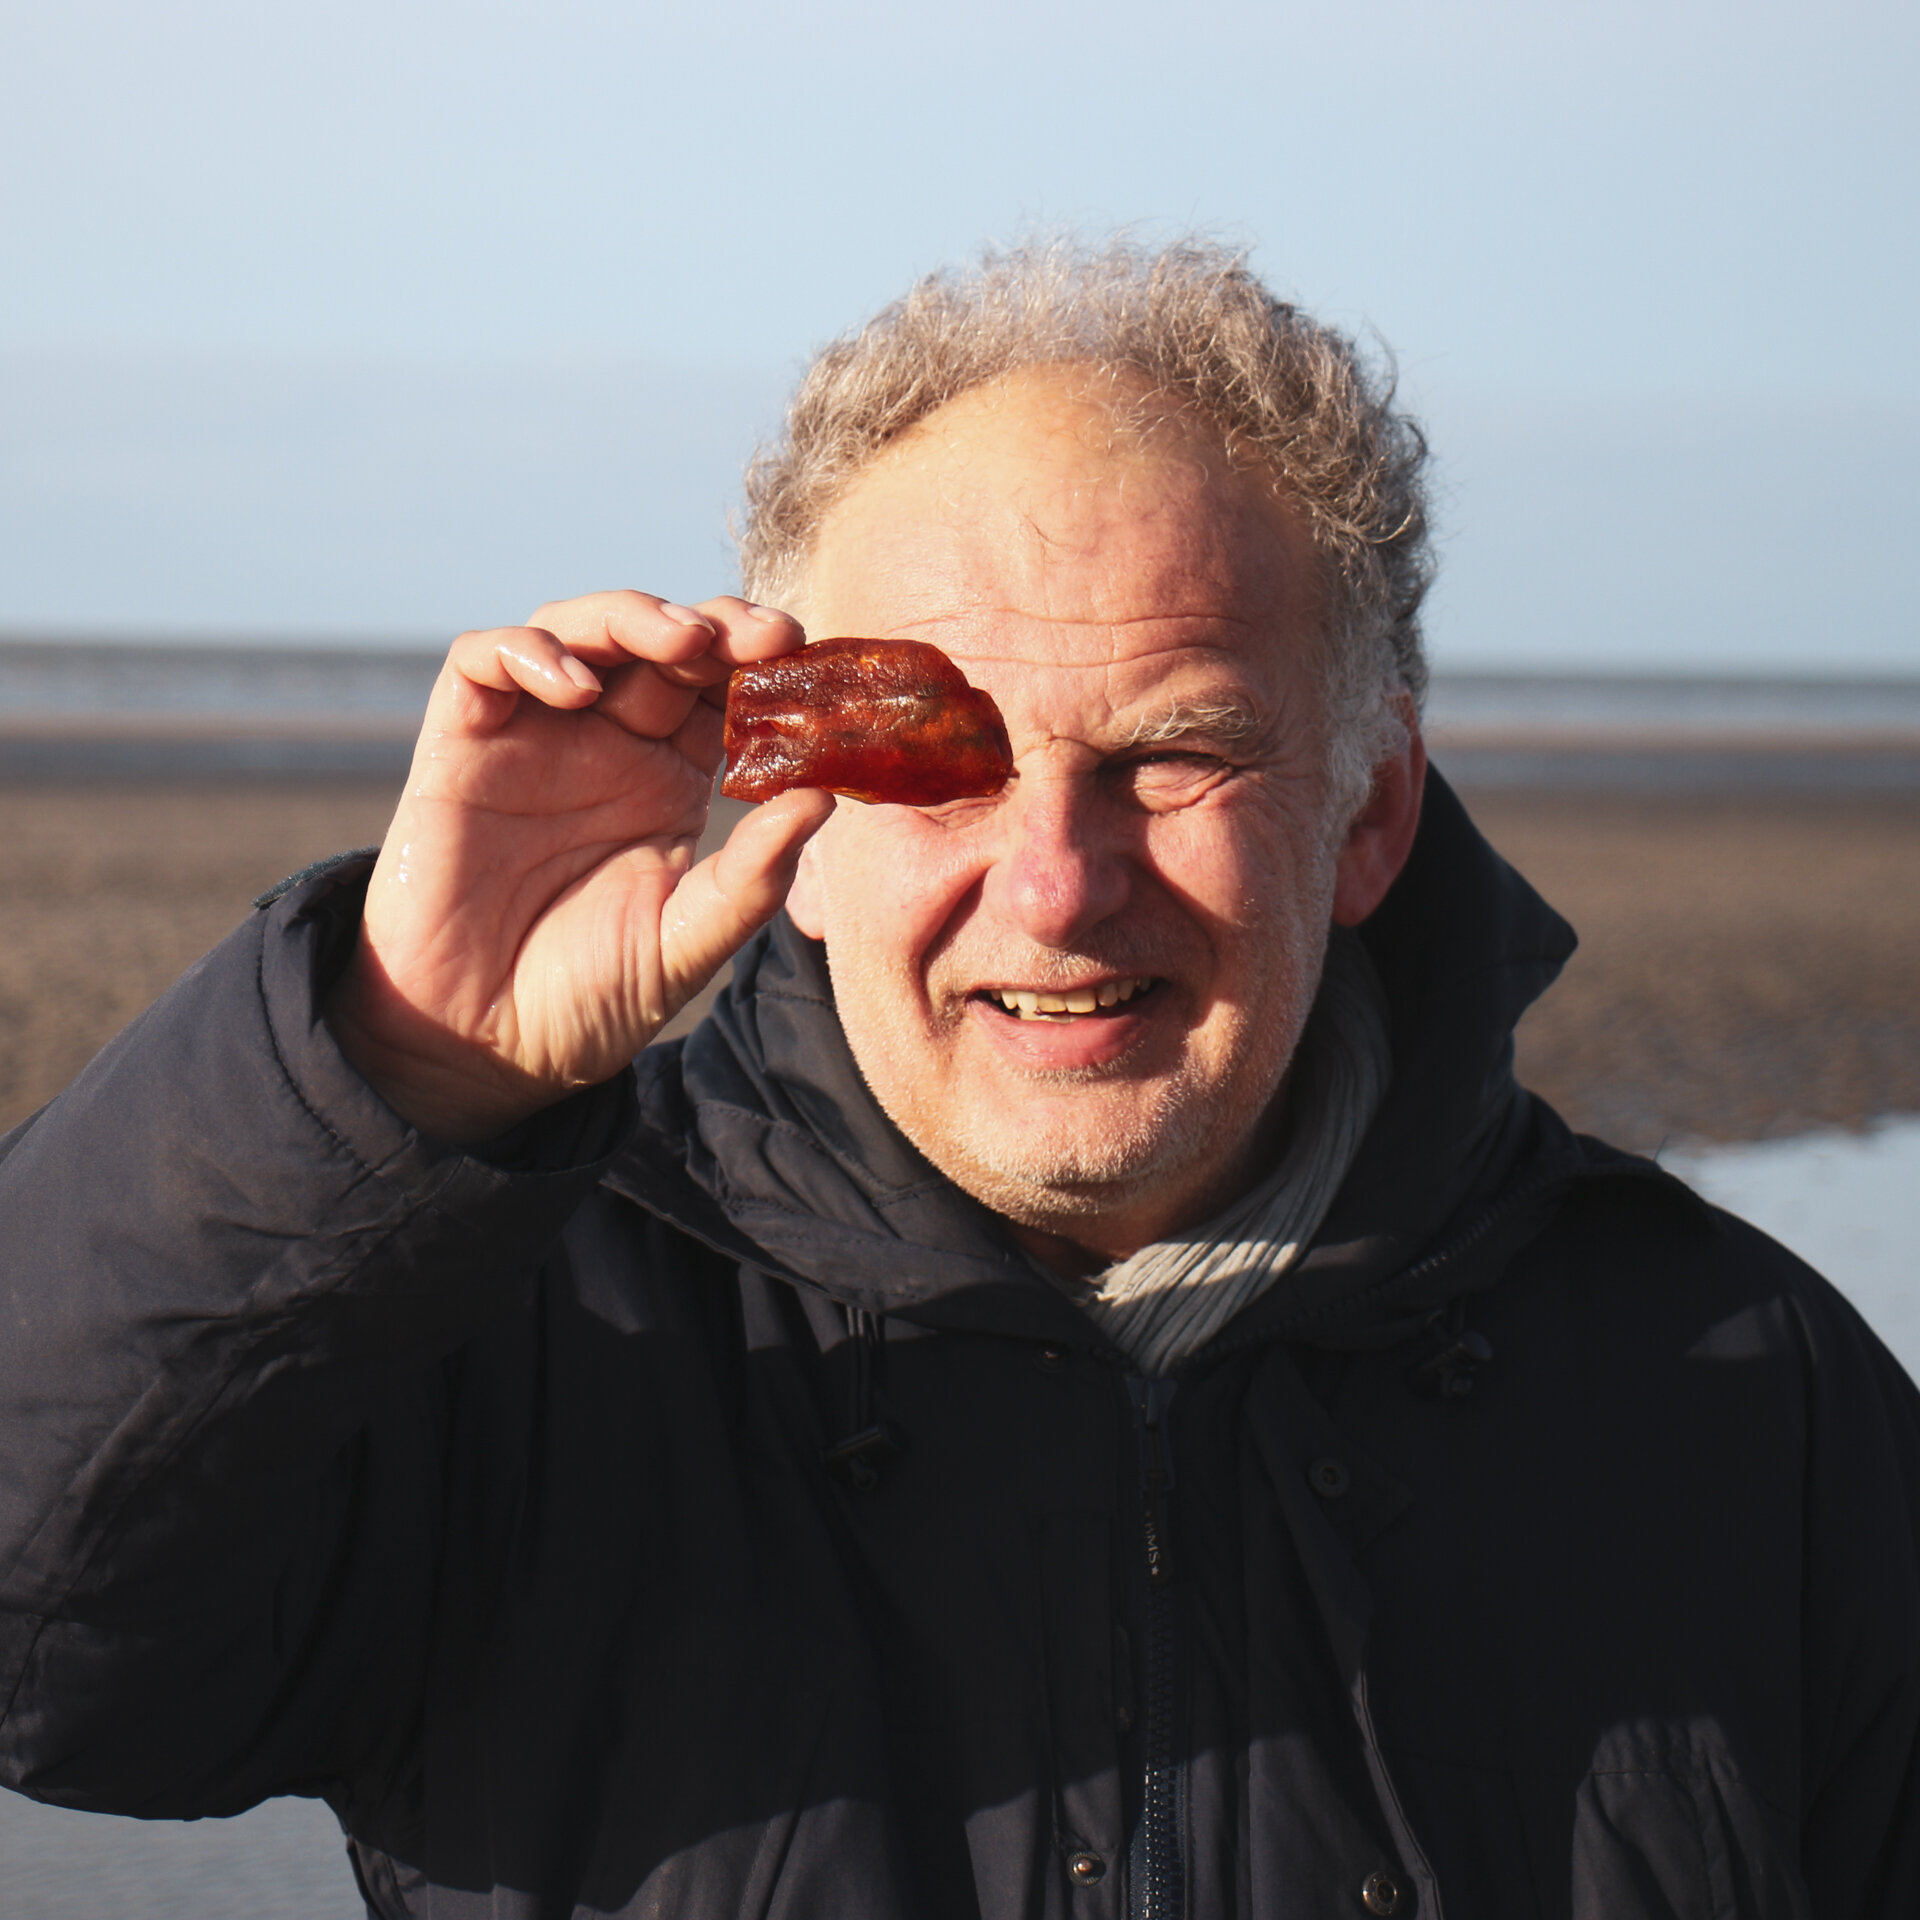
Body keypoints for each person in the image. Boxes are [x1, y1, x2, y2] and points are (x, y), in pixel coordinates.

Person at [1, 239, 1916, 1920]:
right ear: (794, 821)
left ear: (1369, 812)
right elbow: (43, 1656)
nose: (1058, 886)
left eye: (1173, 754)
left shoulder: (1756, 1407)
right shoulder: (516, 1352)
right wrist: (400, 1065)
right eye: (946, 763)